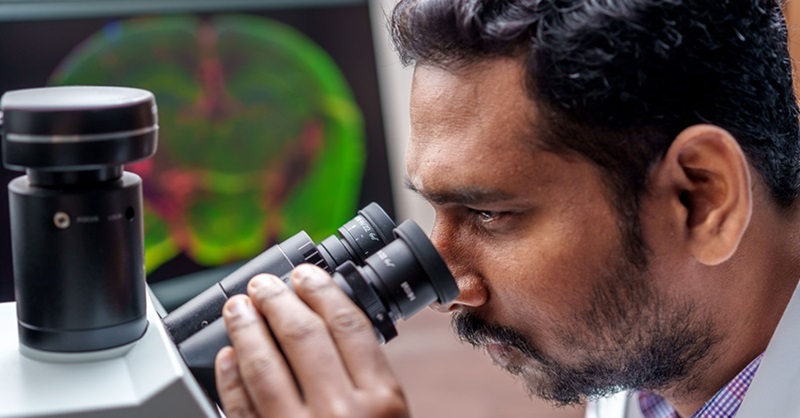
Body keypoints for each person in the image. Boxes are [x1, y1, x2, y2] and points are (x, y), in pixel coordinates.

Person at [212, 0, 800, 416]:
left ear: (702, 199)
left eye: (490, 215)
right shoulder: (645, 351)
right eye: (436, 210)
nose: (449, 289)